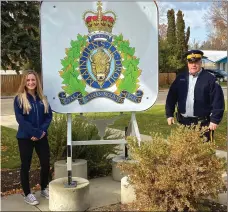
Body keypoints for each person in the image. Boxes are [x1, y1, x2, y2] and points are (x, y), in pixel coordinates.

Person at [165, 50, 225, 142]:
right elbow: (171, 97)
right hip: (184, 123)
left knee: (204, 153)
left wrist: (215, 120)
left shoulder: (210, 79)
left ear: (201, 62)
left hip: (203, 124)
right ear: (187, 63)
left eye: (196, 62)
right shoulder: (181, 78)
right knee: (184, 152)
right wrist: (169, 114)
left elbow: (218, 101)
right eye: (191, 62)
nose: (193, 65)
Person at [14, 71, 53, 205]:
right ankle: (27, 193)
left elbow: (48, 116)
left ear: (37, 82)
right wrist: (34, 133)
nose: (31, 82)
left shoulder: (43, 98)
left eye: (33, 80)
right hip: (25, 138)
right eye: (28, 80)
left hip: (41, 136)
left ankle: (43, 188)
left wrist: (41, 131)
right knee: (26, 165)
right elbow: (21, 120)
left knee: (45, 163)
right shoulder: (19, 98)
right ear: (24, 82)